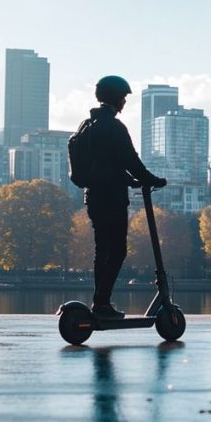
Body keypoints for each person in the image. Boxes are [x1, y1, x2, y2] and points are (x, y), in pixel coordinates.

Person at [82, 75, 166, 319]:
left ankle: (100, 302)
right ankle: (102, 303)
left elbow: (107, 165)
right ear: (116, 98)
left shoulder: (89, 125)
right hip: (113, 199)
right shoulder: (114, 127)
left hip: (94, 197)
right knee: (117, 251)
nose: (124, 103)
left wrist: (129, 179)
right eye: (124, 98)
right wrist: (152, 180)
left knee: (102, 251)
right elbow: (130, 160)